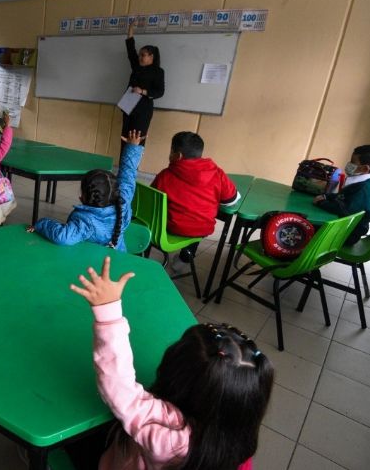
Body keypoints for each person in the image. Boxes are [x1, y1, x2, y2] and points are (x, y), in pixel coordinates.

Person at [68, 256, 273, 470]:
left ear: (178, 375)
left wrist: (108, 314)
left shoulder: (171, 438)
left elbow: (121, 391)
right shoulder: (239, 440)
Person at [29, 130, 145, 251]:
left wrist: (41, 224)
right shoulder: (123, 202)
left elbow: (62, 237)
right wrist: (132, 147)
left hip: (91, 267)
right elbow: (127, 176)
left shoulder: (85, 222)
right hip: (118, 262)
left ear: (83, 197)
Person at [151, 132, 239, 272]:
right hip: (201, 229)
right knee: (196, 223)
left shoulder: (165, 175)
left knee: (183, 220)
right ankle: (185, 258)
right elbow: (231, 200)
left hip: (169, 228)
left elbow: (152, 200)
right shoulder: (217, 173)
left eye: (171, 151)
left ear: (178, 155)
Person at [313, 145, 370, 245]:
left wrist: (321, 203)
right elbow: (342, 197)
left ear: (365, 168)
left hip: (348, 234)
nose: (349, 164)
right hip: (344, 227)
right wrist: (327, 196)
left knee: (301, 226)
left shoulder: (363, 189)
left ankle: (295, 256)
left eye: (353, 162)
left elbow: (345, 210)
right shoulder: (359, 181)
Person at [123, 19, 165, 142]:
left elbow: (160, 92)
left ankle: (133, 161)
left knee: (137, 139)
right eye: (140, 54)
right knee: (125, 137)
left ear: (151, 56)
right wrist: (131, 28)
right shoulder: (137, 66)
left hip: (143, 109)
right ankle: (123, 161)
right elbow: (130, 49)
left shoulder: (158, 71)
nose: (140, 57)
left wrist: (143, 91)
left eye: (143, 55)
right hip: (128, 105)